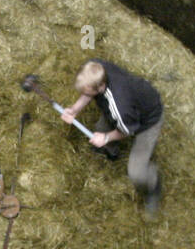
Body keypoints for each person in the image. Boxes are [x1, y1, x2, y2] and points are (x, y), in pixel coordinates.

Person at [61, 59, 165, 218]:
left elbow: (126, 131)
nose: (86, 94)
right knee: (101, 129)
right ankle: (110, 153)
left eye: (88, 92)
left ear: (101, 87)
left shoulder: (120, 106)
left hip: (148, 119)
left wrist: (106, 138)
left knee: (136, 171)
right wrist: (74, 110)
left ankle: (153, 187)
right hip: (130, 103)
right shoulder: (94, 68)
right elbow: (88, 93)